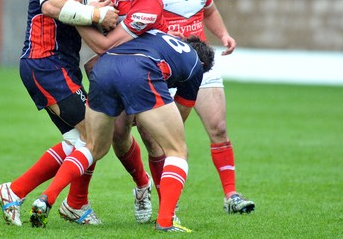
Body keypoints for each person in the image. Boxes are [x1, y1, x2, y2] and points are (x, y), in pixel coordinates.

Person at [0, 0, 151, 227]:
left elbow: (79, 6)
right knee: (95, 135)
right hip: (46, 64)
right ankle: (62, 201)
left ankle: (19, 192)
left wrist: (89, 5)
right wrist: (93, 13)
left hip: (60, 66)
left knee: (81, 139)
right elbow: (50, 5)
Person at [27, 0, 171, 229]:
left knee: (151, 136)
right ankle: (140, 186)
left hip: (144, 68)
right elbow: (64, 1)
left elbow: (104, 44)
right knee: (114, 134)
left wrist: (77, 11)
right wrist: (81, 7)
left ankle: (168, 208)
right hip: (110, 67)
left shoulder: (149, 5)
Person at [31, 29, 215, 233]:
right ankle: (166, 221)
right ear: (204, 65)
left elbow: (91, 64)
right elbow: (179, 118)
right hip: (140, 73)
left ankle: (47, 197)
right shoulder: (195, 66)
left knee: (92, 146)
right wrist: (144, 110)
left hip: (104, 68)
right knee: (177, 149)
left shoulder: (157, 36)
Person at [142, 0, 255, 215]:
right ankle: (167, 203)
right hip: (165, 70)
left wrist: (224, 34)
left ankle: (231, 196)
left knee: (218, 128)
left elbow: (210, 11)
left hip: (201, 66)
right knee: (158, 140)